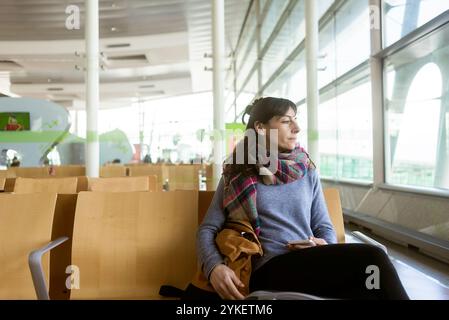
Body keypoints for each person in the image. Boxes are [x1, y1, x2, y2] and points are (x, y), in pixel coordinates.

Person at [185, 97, 409, 300]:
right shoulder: (237, 175)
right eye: (285, 121)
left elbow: (324, 227)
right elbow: (207, 229)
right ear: (261, 128)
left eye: (295, 120)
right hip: (266, 269)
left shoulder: (306, 170)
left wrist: (319, 243)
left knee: (370, 286)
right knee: (373, 259)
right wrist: (214, 267)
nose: (297, 128)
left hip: (310, 263)